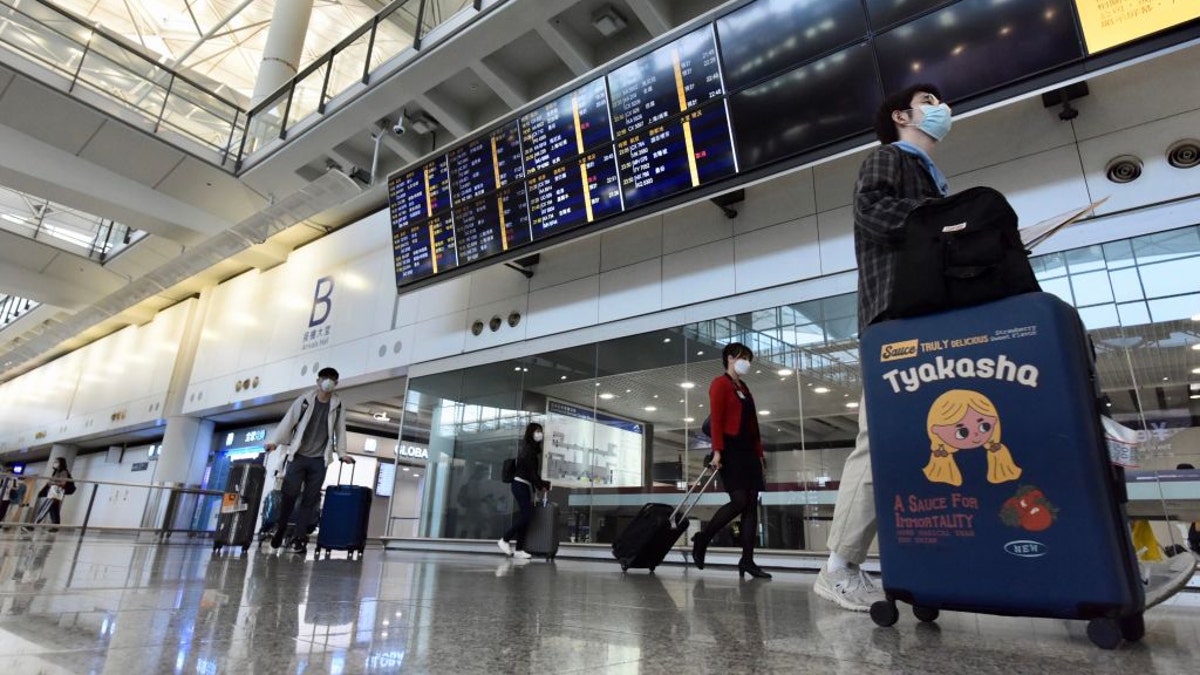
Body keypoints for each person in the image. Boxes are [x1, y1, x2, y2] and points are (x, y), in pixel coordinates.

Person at [813, 84, 952, 611]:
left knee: (932, 442)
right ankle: (838, 568)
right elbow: (873, 213)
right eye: (929, 101)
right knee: (879, 440)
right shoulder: (888, 158)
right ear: (901, 115)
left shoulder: (930, 175)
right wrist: (949, 223)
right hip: (894, 320)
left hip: (926, 318)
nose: (941, 109)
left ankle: (923, 561)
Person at [691, 342, 772, 580]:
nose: (746, 361)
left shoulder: (744, 388)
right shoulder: (719, 384)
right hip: (730, 449)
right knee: (738, 501)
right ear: (729, 358)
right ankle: (703, 538)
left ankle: (747, 561)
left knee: (750, 506)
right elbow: (716, 420)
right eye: (742, 357)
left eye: (748, 357)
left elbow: (753, 425)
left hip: (749, 451)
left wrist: (760, 455)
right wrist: (717, 452)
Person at [263, 367, 354, 555]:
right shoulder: (305, 400)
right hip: (298, 456)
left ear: (336, 384)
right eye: (325, 378)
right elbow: (289, 421)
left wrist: (342, 453)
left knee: (309, 501)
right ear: (318, 381)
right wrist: (274, 442)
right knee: (289, 495)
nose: (328, 382)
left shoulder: (337, 405)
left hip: (319, 460)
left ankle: (299, 537)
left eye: (332, 380)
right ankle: (280, 530)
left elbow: (340, 430)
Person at [498, 422, 550, 560]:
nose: (540, 434)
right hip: (519, 484)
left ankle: (520, 549)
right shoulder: (528, 450)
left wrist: (538, 486)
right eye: (537, 431)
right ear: (531, 432)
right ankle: (504, 539)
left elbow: (531, 475)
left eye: (541, 431)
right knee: (527, 515)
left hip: (523, 485)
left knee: (526, 516)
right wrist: (542, 484)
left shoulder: (530, 449)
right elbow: (532, 474)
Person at [33, 457, 73, 530]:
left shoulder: (63, 472)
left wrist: (51, 482)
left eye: (56, 462)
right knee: (54, 510)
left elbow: (63, 483)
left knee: (45, 508)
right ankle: (55, 527)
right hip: (52, 492)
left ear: (61, 463)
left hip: (55, 494)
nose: (55, 463)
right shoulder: (56, 472)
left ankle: (33, 525)